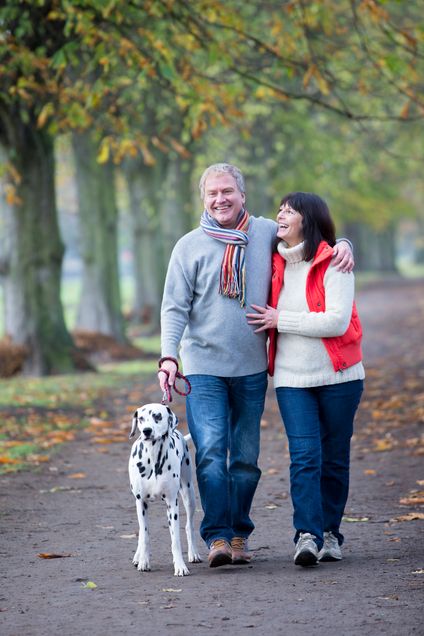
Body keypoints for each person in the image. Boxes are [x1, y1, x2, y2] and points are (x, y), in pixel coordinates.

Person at [158, 165, 354, 568]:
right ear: (203, 199)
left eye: (227, 191)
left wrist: (345, 243)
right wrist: (168, 357)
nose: (220, 200)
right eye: (212, 194)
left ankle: (239, 534)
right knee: (211, 452)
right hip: (202, 367)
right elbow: (174, 308)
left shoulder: (265, 232)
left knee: (245, 460)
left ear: (242, 195)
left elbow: (312, 237)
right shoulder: (189, 246)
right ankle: (216, 537)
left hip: (250, 369)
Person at [247, 192, 365, 567]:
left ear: (308, 220)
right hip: (291, 379)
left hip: (340, 376)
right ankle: (307, 535)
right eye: (280, 208)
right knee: (304, 457)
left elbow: (336, 320)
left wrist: (281, 319)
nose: (280, 214)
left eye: (290, 210)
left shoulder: (335, 262)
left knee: (334, 458)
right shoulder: (272, 260)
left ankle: (331, 533)